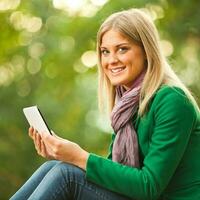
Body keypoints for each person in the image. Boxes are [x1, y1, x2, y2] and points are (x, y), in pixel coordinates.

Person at [10, 8, 200, 200]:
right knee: (53, 167)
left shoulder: (173, 100)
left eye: (122, 49)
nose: (111, 60)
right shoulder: (127, 106)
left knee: (66, 175)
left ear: (146, 51)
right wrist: (64, 154)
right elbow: (115, 175)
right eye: (105, 52)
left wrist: (79, 157)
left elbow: (149, 186)